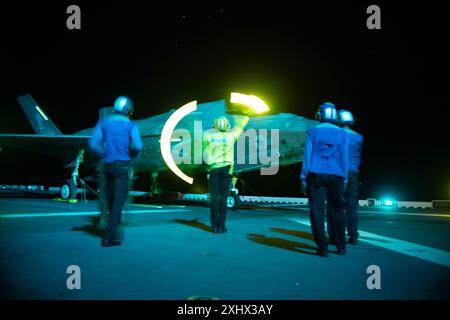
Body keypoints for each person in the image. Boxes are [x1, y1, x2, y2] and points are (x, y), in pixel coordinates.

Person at [89, 96, 142, 247]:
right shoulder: (131, 125)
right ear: (129, 110)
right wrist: (130, 156)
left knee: (110, 201)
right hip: (122, 167)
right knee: (118, 203)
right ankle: (108, 237)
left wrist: (104, 153)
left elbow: (93, 144)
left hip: (106, 166)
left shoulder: (104, 122)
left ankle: (114, 232)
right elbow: (137, 146)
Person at [300, 102, 348, 257]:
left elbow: (307, 157)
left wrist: (303, 178)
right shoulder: (342, 133)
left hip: (317, 175)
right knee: (337, 211)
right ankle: (341, 246)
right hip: (337, 175)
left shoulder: (313, 131)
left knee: (316, 211)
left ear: (321, 114)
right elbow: (344, 158)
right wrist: (345, 178)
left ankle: (323, 247)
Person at [203, 115, 249, 233]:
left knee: (214, 199)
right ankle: (222, 227)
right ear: (226, 124)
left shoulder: (208, 135)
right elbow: (241, 124)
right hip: (226, 170)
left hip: (214, 169)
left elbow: (204, 152)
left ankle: (214, 227)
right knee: (223, 199)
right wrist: (245, 116)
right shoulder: (231, 135)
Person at [338, 109, 363, 245]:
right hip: (354, 172)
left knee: (337, 206)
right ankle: (353, 235)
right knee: (351, 206)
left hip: (340, 172)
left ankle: (337, 235)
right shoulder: (359, 137)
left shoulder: (337, 135)